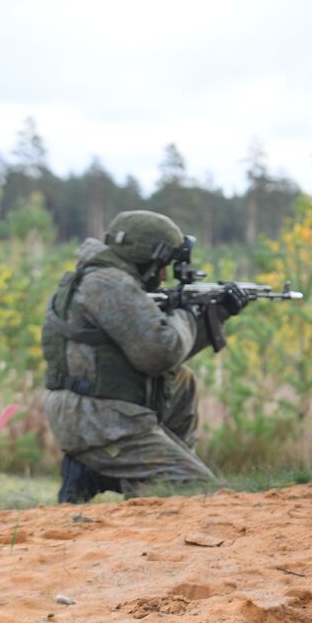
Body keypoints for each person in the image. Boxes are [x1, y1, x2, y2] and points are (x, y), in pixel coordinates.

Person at [41, 210, 249, 503]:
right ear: (145, 257)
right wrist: (187, 314)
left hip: (98, 413)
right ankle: (111, 472)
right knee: (202, 496)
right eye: (162, 265)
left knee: (182, 381)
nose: (164, 275)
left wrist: (217, 314)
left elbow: (168, 355)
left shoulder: (103, 280)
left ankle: (123, 474)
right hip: (98, 420)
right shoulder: (111, 285)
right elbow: (159, 354)